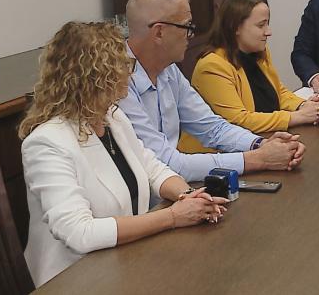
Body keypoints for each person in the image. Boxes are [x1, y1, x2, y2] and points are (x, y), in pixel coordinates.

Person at [19, 22, 228, 287]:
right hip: (75, 280)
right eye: (125, 64)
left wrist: (189, 197)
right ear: (98, 75)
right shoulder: (46, 143)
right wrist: (173, 217)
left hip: (125, 262)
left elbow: (152, 168)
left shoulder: (112, 117)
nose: (131, 72)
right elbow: (79, 233)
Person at [119, 0, 305, 182]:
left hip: (176, 188)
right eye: (187, 26)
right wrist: (259, 159)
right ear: (159, 32)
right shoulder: (117, 83)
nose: (191, 35)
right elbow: (168, 163)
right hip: (149, 195)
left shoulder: (168, 70)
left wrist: (260, 144)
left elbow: (212, 127)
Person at [178, 0, 319, 153]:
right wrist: (297, 117)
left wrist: (303, 105)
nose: (268, 32)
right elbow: (238, 120)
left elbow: (278, 92)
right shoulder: (212, 66)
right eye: (261, 25)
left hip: (259, 142)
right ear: (236, 27)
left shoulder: (259, 52)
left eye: (267, 24)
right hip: (216, 157)